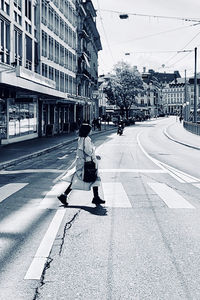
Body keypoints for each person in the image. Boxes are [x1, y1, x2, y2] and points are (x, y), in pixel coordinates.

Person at [57, 123, 105, 206]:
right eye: (90, 129)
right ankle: (95, 197)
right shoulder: (86, 139)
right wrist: (94, 152)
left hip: (82, 162)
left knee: (84, 178)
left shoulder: (80, 138)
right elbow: (88, 151)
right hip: (87, 162)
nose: (91, 131)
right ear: (87, 131)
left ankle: (95, 197)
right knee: (93, 177)